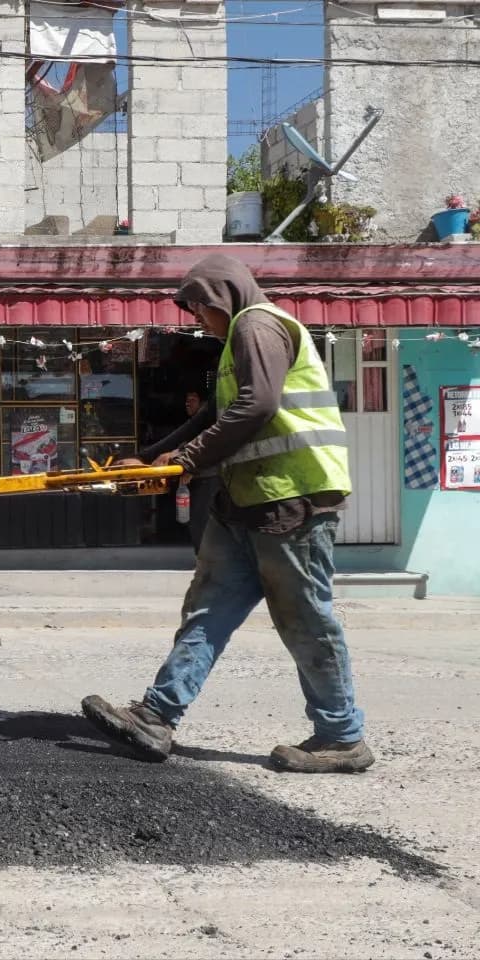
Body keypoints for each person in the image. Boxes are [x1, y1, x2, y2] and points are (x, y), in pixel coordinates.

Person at [82, 253, 373, 774]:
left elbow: (257, 406)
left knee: (305, 619)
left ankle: (342, 737)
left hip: (292, 501)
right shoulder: (241, 336)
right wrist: (152, 457)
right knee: (207, 609)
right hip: (242, 502)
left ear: (220, 296)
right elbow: (217, 416)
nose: (198, 322)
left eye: (198, 311)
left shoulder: (257, 326)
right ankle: (157, 714)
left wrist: (187, 463)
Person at [123, 388, 221, 553]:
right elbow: (193, 427)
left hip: (224, 478)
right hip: (207, 477)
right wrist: (143, 457)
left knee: (209, 539)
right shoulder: (208, 412)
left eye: (194, 399)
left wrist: (184, 455)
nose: (188, 403)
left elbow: (224, 432)